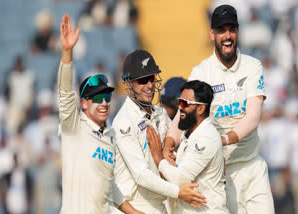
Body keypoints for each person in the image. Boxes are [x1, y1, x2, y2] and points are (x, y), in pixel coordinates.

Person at [163, 5, 275, 214]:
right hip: (221, 175)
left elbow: (252, 117)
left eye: (231, 29)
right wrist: (169, 142)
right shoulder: (201, 72)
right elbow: (183, 114)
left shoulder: (252, 66)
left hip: (252, 167)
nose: (227, 36)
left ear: (238, 31)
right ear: (211, 34)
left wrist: (223, 139)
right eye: (221, 30)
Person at [58, 14, 143, 214]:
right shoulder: (74, 127)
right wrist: (67, 52)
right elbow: (64, 94)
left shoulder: (111, 135)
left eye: (106, 97)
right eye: (97, 99)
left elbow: (109, 185)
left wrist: (133, 212)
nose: (104, 102)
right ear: (84, 104)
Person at [112, 50, 207, 213]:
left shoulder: (160, 114)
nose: (149, 85)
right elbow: (140, 175)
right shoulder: (123, 122)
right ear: (128, 84)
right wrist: (178, 192)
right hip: (133, 206)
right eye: (142, 80)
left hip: (158, 204)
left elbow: (179, 144)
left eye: (152, 78)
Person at [147, 80, 229, 213]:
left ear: (201, 108)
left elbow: (179, 178)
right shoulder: (189, 133)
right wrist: (169, 163)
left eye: (185, 103)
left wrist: (159, 158)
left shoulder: (207, 137)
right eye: (179, 102)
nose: (180, 108)